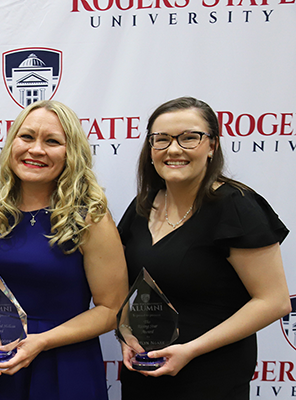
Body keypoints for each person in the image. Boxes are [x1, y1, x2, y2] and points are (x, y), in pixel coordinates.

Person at [117, 96, 290, 399]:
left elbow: (274, 302)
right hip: (144, 376)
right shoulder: (143, 205)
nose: (173, 149)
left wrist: (190, 350)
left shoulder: (236, 208)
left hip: (211, 379)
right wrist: (125, 332)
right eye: (162, 140)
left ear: (212, 146)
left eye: (189, 138)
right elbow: (127, 286)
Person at [0, 100, 128, 400]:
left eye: (52, 141)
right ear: (12, 142)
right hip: (2, 364)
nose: (36, 149)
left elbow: (111, 309)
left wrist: (41, 342)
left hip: (67, 366)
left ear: (71, 153)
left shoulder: (90, 215)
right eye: (26, 137)